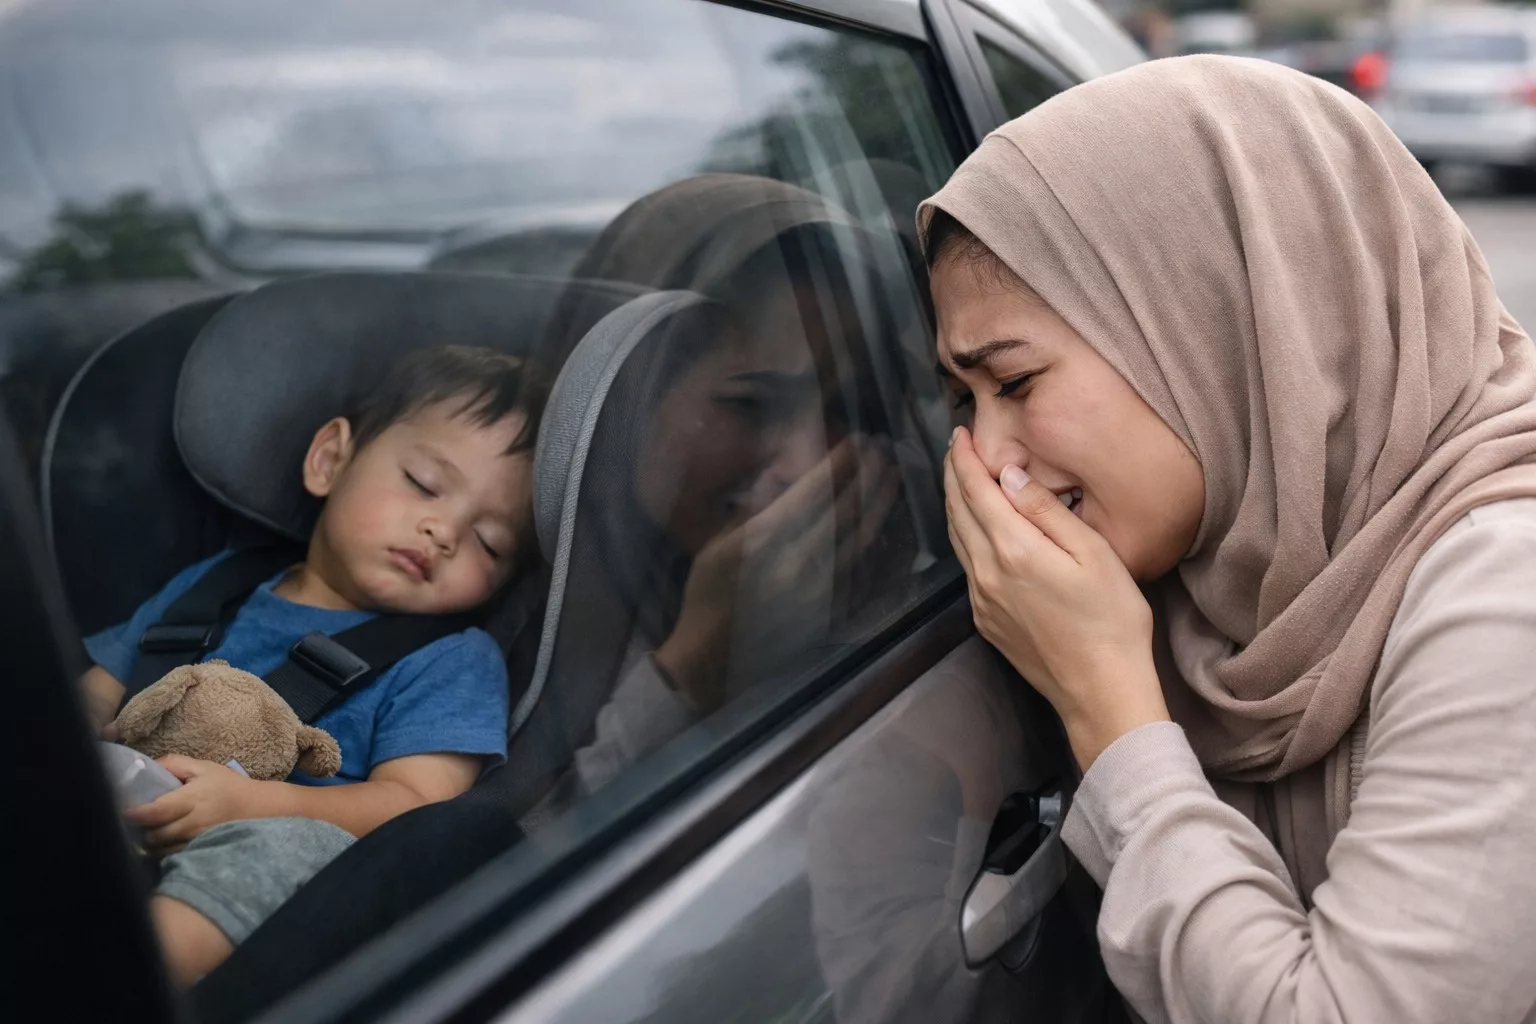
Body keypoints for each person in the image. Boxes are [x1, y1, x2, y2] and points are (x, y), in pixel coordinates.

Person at [923, 56, 1536, 1023]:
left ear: (1220, 324)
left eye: (1015, 383)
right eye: (961, 402)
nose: (986, 459)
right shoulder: (1220, 586)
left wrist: (1107, 703)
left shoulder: (1507, 599)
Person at [78, 345, 547, 986]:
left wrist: (257, 804)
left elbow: (418, 807)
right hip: (121, 811)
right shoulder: (215, 584)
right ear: (331, 459)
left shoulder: (453, 659)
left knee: (286, 848)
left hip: (276, 844)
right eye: (424, 484)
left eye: (491, 543)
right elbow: (100, 688)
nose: (443, 530)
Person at [525, 174, 908, 805]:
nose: (806, 465)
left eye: (849, 409)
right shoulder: (473, 600)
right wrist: (695, 665)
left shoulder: (885, 552)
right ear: (626, 402)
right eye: (751, 405)